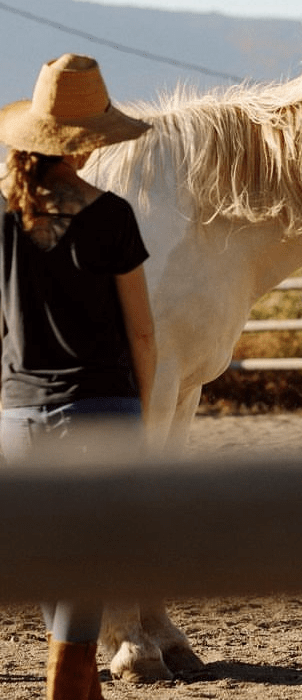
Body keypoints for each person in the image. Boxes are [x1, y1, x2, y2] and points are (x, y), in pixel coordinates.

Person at [0, 53, 155, 699]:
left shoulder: (6, 220)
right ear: (86, 139)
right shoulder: (112, 216)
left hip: (18, 428)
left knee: (74, 639)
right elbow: (143, 333)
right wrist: (139, 425)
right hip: (97, 425)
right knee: (68, 661)